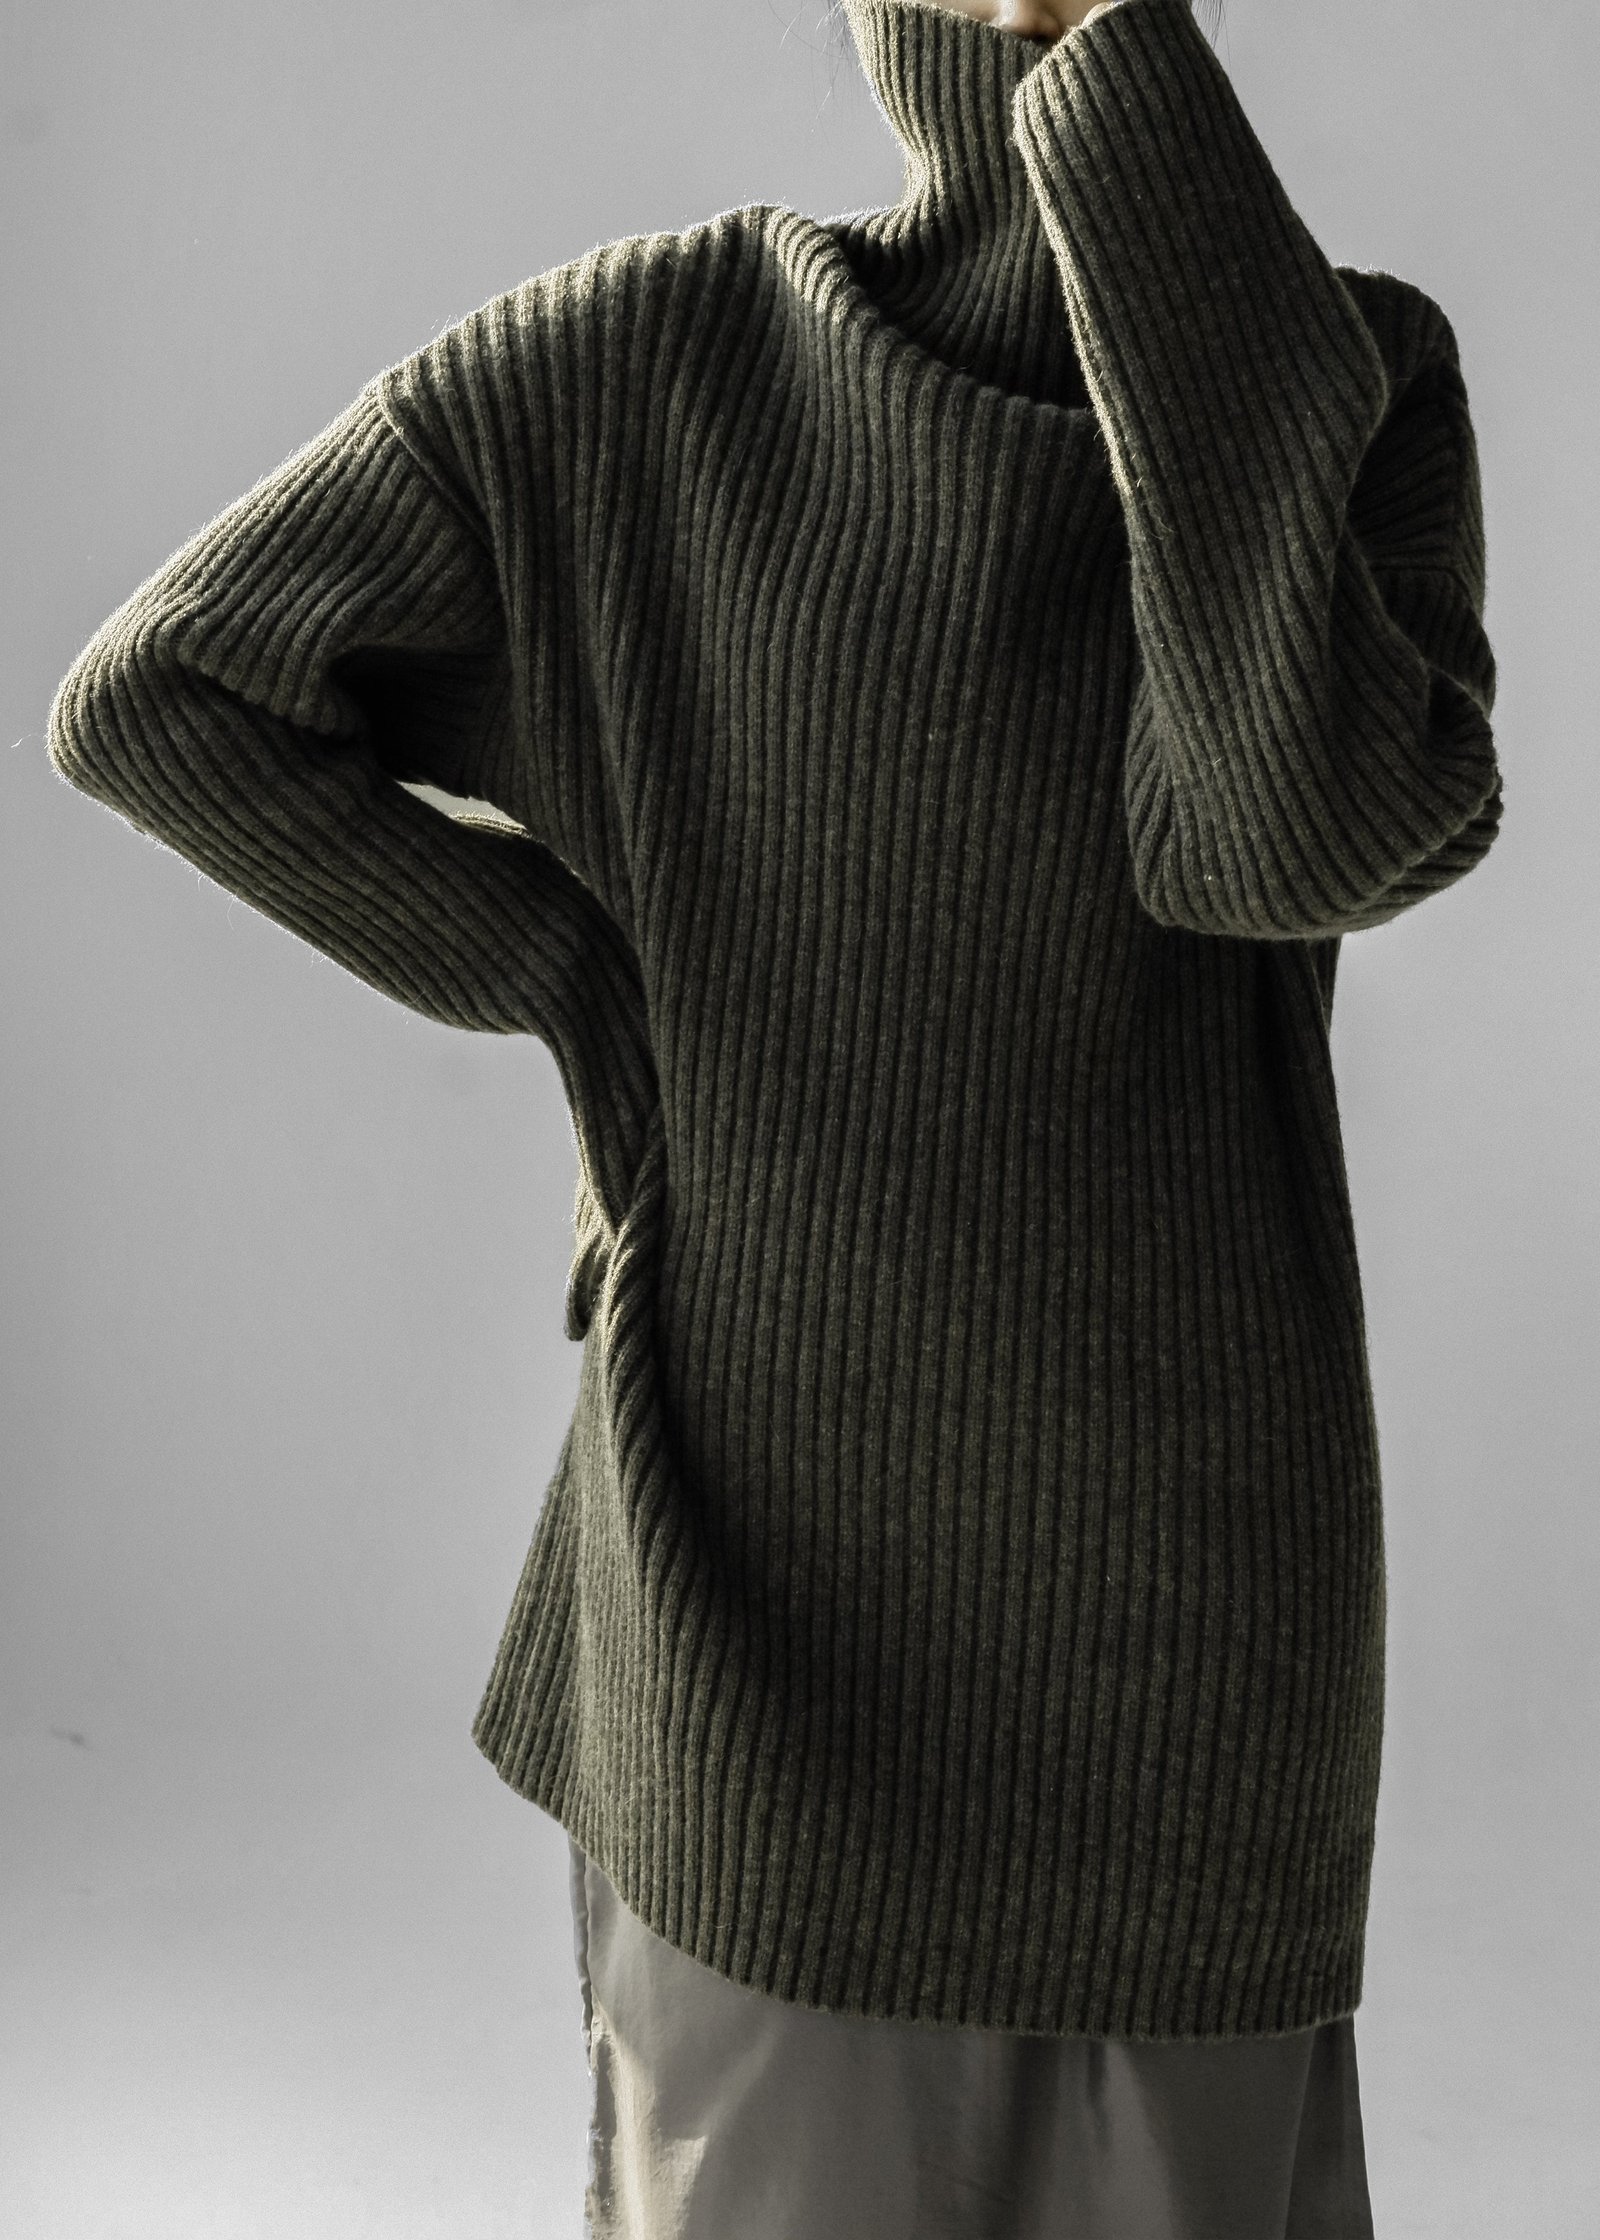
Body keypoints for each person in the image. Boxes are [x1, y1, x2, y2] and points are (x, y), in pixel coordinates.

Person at [46, 0, 1503, 2229]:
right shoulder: (639, 364)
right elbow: (161, 694)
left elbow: (1281, 839)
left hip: (1197, 1654)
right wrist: (562, 972)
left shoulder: (1339, 379)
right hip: (761, 1618)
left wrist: (1115, 108)